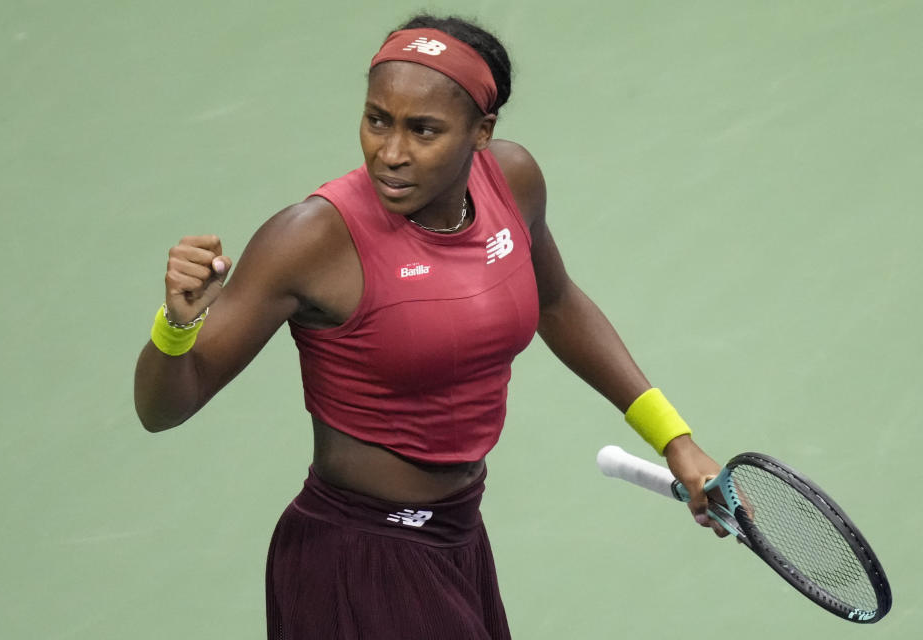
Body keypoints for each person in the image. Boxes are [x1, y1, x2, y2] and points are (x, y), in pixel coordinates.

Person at [134, 14, 726, 639]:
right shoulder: (309, 239)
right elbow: (164, 408)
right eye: (376, 119)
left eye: (423, 130)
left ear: (481, 132)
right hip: (357, 560)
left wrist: (675, 440)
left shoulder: (512, 180)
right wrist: (177, 326)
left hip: (457, 538)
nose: (390, 153)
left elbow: (556, 303)